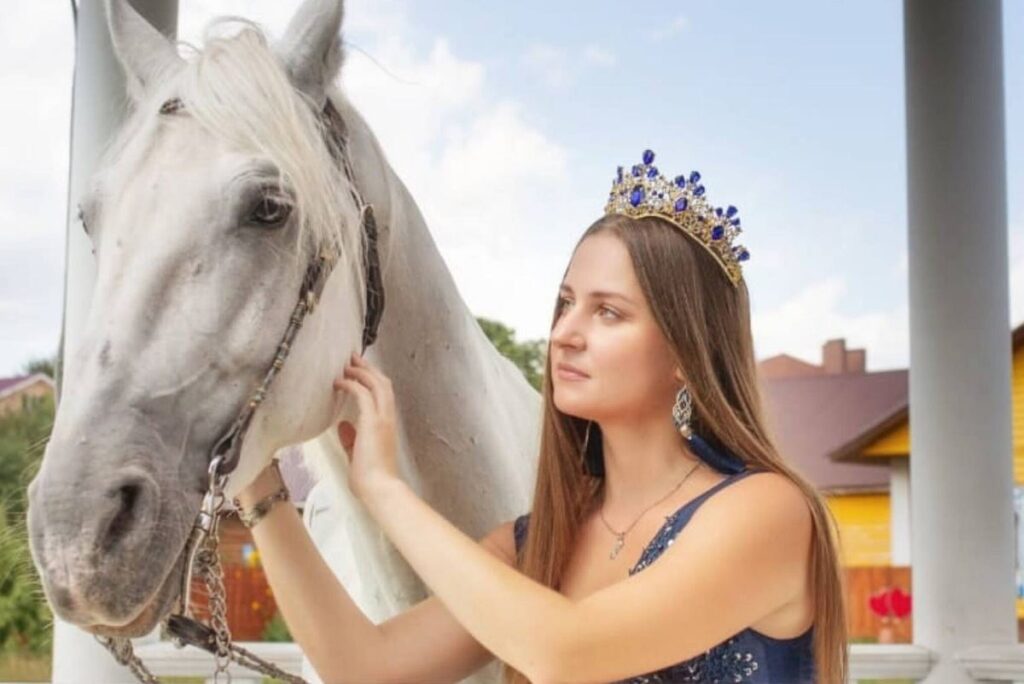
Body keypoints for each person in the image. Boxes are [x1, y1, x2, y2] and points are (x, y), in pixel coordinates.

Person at [236, 149, 849, 683]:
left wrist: (384, 489)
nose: (565, 335)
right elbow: (365, 666)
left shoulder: (767, 511)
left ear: (687, 355)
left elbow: (565, 652)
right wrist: (255, 481)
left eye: (608, 313)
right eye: (566, 304)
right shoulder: (539, 541)